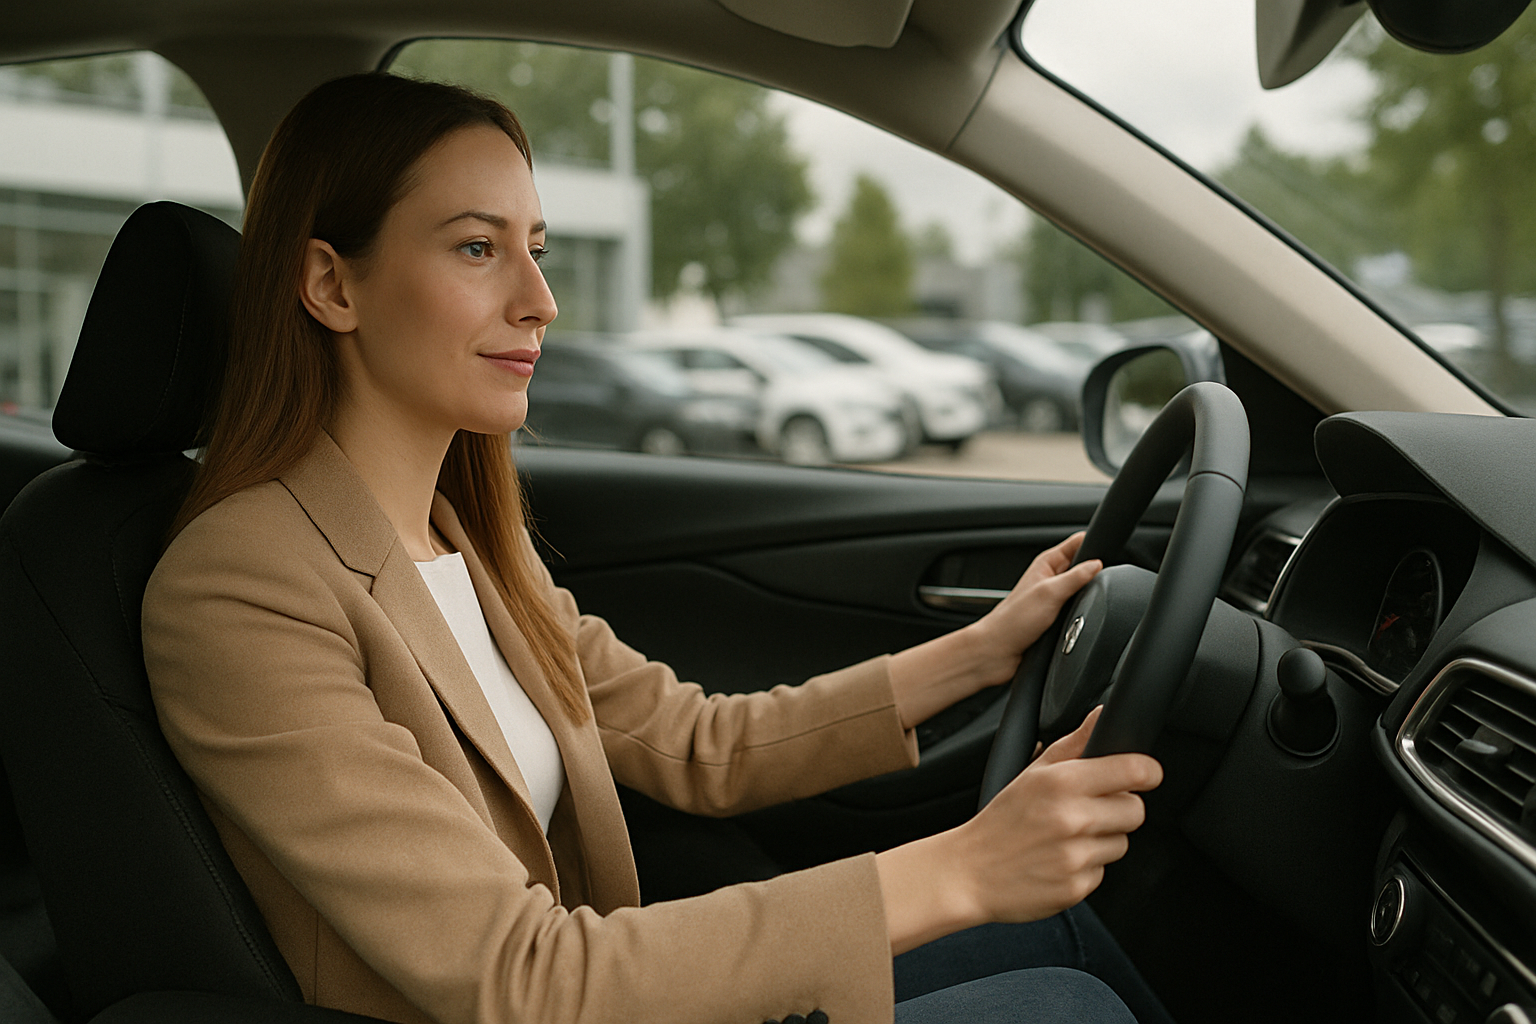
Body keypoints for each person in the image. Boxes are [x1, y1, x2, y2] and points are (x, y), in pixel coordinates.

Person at [141, 72, 1167, 1024]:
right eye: (475, 247)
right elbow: (517, 972)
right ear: (331, 284)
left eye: (534, 249)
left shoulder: (465, 541)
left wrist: (979, 652)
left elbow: (695, 743)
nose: (540, 300)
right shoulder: (242, 585)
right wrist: (961, 868)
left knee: (1057, 932)